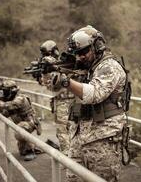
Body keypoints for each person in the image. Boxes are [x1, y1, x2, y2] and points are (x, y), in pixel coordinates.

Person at [52, 25, 130, 182]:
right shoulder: (87, 68)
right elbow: (54, 87)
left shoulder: (110, 66)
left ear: (97, 46)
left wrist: (66, 81)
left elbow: (95, 93)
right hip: (79, 137)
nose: (80, 57)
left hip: (103, 140)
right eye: (77, 53)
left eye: (83, 52)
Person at [0, 80, 41, 161]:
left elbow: (12, 105)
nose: (4, 93)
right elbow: (5, 114)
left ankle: (31, 151)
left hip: (29, 123)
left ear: (12, 91)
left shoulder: (20, 98)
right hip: (21, 125)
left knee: (19, 131)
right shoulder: (10, 100)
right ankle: (34, 147)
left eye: (5, 91)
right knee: (22, 151)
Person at [39, 40, 74, 155]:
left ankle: (67, 159)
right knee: (72, 130)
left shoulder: (57, 63)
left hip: (63, 103)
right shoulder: (63, 62)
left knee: (62, 132)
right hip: (74, 101)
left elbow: (51, 86)